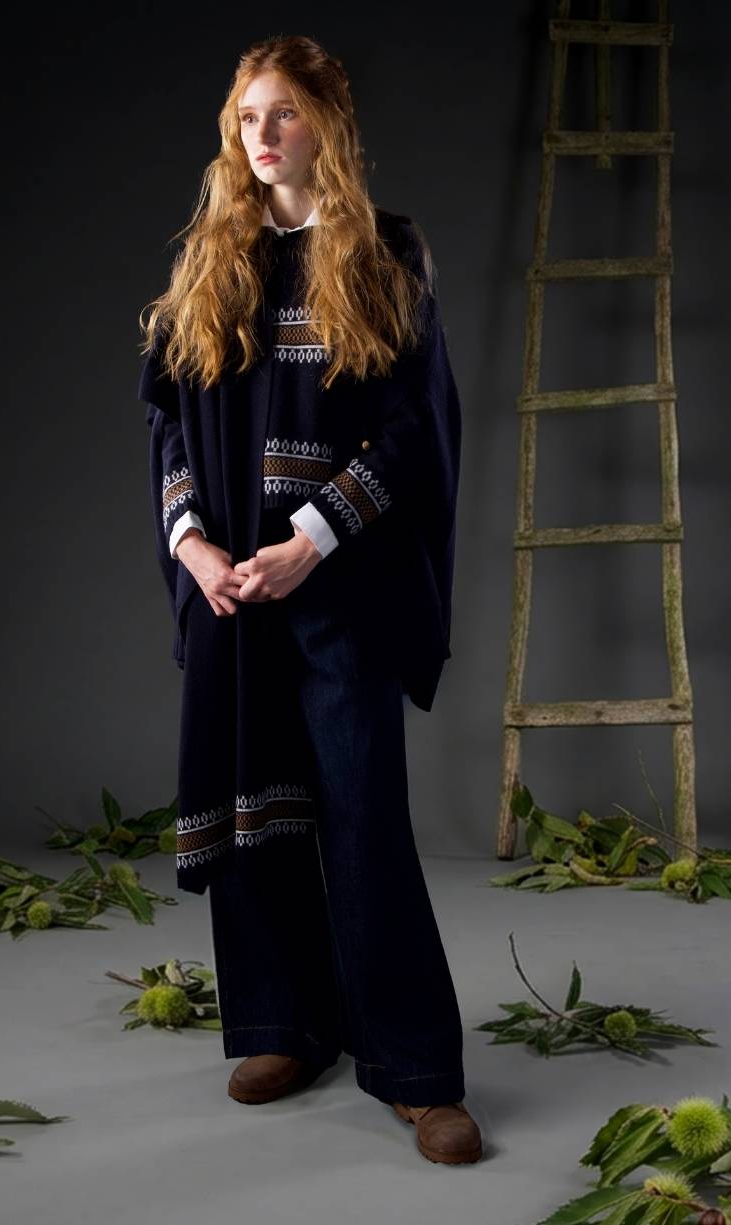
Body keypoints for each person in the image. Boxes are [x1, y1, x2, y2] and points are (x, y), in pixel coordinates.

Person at [137, 34, 477, 1166]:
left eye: (283, 111)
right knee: (256, 817)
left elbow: (415, 429)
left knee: (362, 816)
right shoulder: (211, 260)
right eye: (247, 117)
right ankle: (286, 1025)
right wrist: (194, 547)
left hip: (340, 590)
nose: (263, 134)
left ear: (328, 120)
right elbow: (167, 421)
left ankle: (416, 1071)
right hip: (233, 594)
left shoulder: (384, 252)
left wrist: (310, 539)